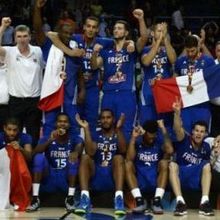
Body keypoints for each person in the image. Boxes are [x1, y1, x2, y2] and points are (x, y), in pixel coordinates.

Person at [91, 9, 148, 142]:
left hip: (126, 93)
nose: (116, 30)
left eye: (120, 28)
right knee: (106, 127)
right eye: (115, 28)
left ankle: (126, 158)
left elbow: (144, 38)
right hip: (108, 94)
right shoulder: (106, 51)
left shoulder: (131, 49)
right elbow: (94, 66)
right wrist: (94, 53)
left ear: (126, 33)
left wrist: (140, 19)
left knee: (126, 128)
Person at [33, 0, 85, 138]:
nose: (68, 36)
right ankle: (47, 154)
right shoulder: (49, 45)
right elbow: (38, 29)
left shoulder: (75, 47)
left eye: (70, 33)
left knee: (73, 125)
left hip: (70, 93)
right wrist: (38, 9)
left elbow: (79, 69)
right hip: (52, 91)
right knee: (50, 124)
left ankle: (74, 155)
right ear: (58, 33)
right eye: (65, 33)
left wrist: (82, 89)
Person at [0, 17, 44, 147]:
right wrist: (3, 27)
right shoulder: (10, 52)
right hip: (16, 102)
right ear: (15, 38)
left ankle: (31, 165)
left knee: (33, 136)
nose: (22, 39)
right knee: (13, 137)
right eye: (19, 36)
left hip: (34, 101)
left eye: (25, 36)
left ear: (30, 37)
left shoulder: (38, 51)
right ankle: (14, 166)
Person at [26, 113, 83, 212]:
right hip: (50, 176)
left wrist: (76, 152)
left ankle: (70, 199)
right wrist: (50, 140)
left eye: (65, 122)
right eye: (60, 121)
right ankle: (35, 198)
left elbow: (79, 146)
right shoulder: (48, 137)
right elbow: (34, 153)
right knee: (39, 158)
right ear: (56, 124)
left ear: (69, 125)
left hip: (66, 177)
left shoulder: (74, 137)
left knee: (74, 159)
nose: (62, 124)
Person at [75, 109, 126, 215]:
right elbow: (90, 152)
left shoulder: (118, 133)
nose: (105, 120)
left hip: (113, 174)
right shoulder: (95, 134)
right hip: (97, 173)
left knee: (118, 158)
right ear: (100, 120)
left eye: (108, 117)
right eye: (103, 118)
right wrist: (86, 129)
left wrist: (118, 129)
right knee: (85, 157)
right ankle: (85, 198)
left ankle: (119, 199)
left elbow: (123, 150)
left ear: (113, 119)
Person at [169, 98, 214, 216]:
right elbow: (177, 129)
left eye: (202, 131)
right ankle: (180, 202)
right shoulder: (184, 139)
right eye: (196, 130)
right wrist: (177, 113)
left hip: (195, 179)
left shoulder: (206, 147)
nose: (199, 133)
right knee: (172, 165)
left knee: (207, 165)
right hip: (182, 175)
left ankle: (204, 203)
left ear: (205, 134)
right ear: (192, 132)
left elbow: (207, 170)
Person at [125, 120, 173, 214]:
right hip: (140, 183)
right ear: (144, 133)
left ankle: (157, 201)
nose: (152, 139)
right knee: (128, 164)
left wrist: (163, 129)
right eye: (149, 137)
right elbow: (129, 158)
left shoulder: (158, 143)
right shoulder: (138, 142)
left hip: (155, 183)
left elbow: (170, 150)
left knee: (164, 163)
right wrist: (133, 138)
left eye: (154, 136)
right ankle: (139, 201)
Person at [139, 22, 176, 132]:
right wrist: (159, 41)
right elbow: (146, 62)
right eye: (159, 31)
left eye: (163, 31)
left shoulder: (167, 49)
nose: (162, 34)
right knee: (147, 126)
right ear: (152, 33)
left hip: (165, 93)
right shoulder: (145, 50)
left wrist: (165, 40)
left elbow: (173, 59)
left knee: (165, 126)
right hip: (148, 93)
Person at [174, 35, 215, 134]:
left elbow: (213, 82)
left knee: (201, 135)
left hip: (202, 106)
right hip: (185, 107)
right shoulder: (180, 61)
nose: (190, 53)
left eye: (192, 51)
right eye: (187, 51)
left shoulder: (208, 61)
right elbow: (174, 81)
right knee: (184, 135)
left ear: (198, 47)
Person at [0, 117, 32, 210]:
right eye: (9, 129)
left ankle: (17, 198)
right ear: (4, 128)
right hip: (2, 171)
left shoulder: (25, 137)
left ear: (19, 130)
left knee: (16, 152)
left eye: (15, 130)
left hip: (18, 171)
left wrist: (20, 149)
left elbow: (29, 157)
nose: (12, 133)